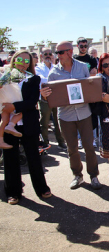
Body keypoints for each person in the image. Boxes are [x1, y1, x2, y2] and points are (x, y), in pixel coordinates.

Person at [45, 41, 102, 190]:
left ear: (70, 52)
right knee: (72, 149)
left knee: (89, 147)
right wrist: (45, 95)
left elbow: (89, 88)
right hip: (65, 116)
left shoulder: (83, 67)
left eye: (60, 52)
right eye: (57, 53)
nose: (57, 55)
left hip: (84, 114)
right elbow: (50, 97)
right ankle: (77, 175)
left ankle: (94, 175)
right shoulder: (53, 73)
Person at [2, 50, 52, 205]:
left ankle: (42, 188)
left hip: (28, 123)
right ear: (13, 60)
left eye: (27, 61)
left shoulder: (34, 79)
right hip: (9, 123)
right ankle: (13, 192)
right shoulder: (5, 76)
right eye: (20, 59)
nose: (23, 63)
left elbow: (32, 102)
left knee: (34, 158)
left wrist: (14, 107)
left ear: (30, 64)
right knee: (10, 159)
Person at [35, 47, 66, 150]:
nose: (48, 56)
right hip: (44, 98)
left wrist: (50, 80)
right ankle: (45, 142)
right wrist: (53, 80)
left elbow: (60, 79)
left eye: (50, 54)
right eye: (45, 54)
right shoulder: (38, 68)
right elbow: (41, 80)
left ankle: (61, 141)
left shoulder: (56, 67)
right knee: (44, 121)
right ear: (41, 56)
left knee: (58, 121)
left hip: (56, 97)